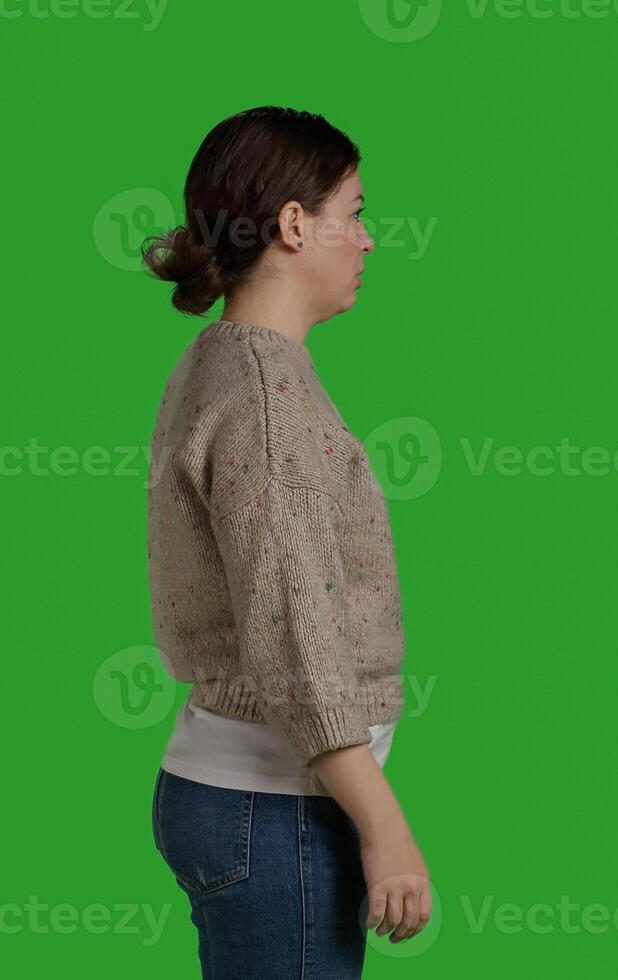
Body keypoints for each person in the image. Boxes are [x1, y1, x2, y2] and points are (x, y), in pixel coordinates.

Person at [142, 105, 432, 978]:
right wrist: (386, 828)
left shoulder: (222, 360)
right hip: (275, 813)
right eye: (355, 211)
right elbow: (294, 633)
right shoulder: (267, 397)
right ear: (294, 224)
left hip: (246, 804)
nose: (369, 239)